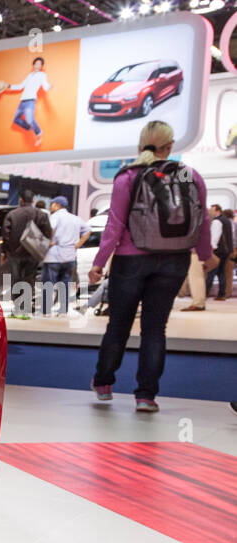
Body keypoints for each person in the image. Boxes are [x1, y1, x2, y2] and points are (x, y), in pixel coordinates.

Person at [89, 121, 217, 412]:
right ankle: (146, 396)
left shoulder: (129, 176)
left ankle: (104, 384)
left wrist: (99, 263)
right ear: (169, 146)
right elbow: (202, 221)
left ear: (141, 144)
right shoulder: (190, 175)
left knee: (118, 324)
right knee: (155, 328)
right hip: (175, 260)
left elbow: (115, 225)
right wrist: (205, 255)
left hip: (131, 259)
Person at [0, 190, 51, 318]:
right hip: (32, 253)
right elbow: (47, 234)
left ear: (21, 200)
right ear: (33, 200)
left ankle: (18, 308)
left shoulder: (12, 214)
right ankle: (26, 307)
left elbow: (5, 235)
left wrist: (4, 252)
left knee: (16, 279)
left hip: (15, 253)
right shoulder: (41, 215)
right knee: (29, 279)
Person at [40, 196, 89, 317]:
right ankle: (63, 310)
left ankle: (46, 311)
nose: (50, 207)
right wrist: (77, 244)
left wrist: (49, 240)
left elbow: (50, 229)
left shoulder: (55, 216)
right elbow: (88, 230)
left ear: (56, 205)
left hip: (54, 256)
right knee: (65, 283)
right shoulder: (76, 218)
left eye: (52, 204)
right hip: (70, 256)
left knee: (48, 283)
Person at [6, 56, 52, 148]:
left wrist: (49, 86)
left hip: (30, 101)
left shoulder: (42, 75)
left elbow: (45, 86)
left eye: (40, 64)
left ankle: (38, 134)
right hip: (22, 101)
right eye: (36, 63)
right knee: (16, 119)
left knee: (30, 120)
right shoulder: (29, 76)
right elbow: (20, 86)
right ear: (34, 64)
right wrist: (9, 86)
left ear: (41, 66)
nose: (37, 65)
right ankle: (29, 128)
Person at [205, 204, 232, 300]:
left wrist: (211, 249)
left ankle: (205, 293)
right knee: (221, 272)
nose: (210, 212)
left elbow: (215, 237)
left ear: (217, 211)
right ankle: (221, 294)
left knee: (211, 272)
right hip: (227, 250)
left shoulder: (217, 221)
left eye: (212, 210)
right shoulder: (227, 221)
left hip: (218, 250)